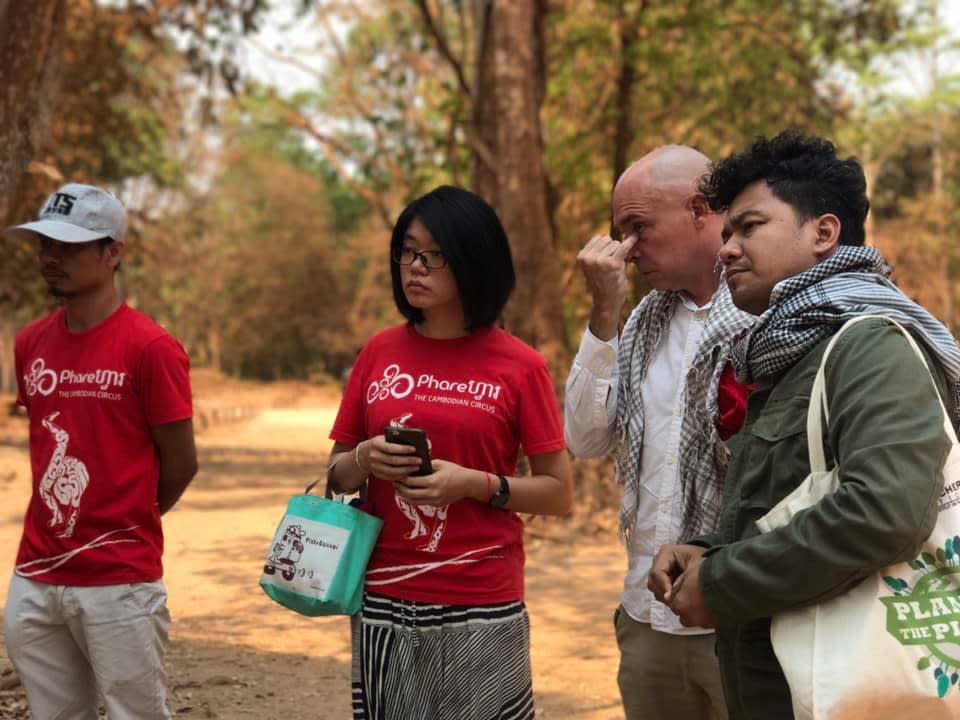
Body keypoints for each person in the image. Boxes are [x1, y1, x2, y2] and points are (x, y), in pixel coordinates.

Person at [650, 130, 960, 719]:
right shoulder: (790, 355)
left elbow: (885, 512)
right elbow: (799, 501)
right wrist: (709, 550)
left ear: (823, 233)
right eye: (725, 234)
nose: (726, 249)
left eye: (749, 227)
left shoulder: (868, 343)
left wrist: (722, 582)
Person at [327, 185, 574, 720]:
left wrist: (474, 484)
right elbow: (337, 475)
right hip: (383, 597)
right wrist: (366, 458)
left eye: (433, 255)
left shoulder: (520, 365)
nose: (414, 267)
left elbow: (558, 492)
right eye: (407, 251)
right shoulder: (378, 352)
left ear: (472, 260)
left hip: (482, 602)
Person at [564, 145, 754, 720]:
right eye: (621, 231)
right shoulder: (645, 320)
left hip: (743, 617)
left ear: (701, 210)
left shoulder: (767, 314)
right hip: (647, 617)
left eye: (639, 227)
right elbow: (584, 439)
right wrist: (605, 314)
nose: (626, 249)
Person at [3, 183, 197, 720]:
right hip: (36, 576)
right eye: (46, 244)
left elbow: (182, 462)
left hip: (120, 583)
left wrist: (124, 520)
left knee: (136, 712)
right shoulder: (30, 342)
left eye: (69, 246)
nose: (51, 257)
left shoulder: (151, 348)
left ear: (113, 252)